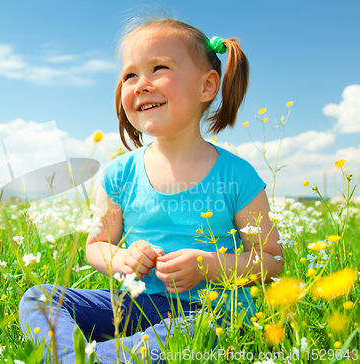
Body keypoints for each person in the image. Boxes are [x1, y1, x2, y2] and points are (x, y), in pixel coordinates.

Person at [19, 16, 283, 364]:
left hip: (210, 310)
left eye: (158, 68)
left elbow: (272, 260)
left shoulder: (236, 175)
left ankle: (94, 357)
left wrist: (209, 265)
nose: (140, 84)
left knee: (197, 332)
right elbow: (96, 246)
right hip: (136, 302)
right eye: (130, 75)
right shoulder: (120, 173)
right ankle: (72, 357)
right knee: (40, 298)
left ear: (206, 86)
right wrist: (123, 259)